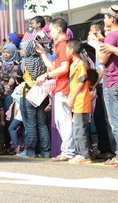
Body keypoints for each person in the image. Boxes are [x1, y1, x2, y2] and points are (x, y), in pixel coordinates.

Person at [35, 17, 75, 161]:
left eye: (51, 30)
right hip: (62, 87)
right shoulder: (61, 45)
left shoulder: (63, 44)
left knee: (63, 120)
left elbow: (64, 68)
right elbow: (54, 67)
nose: (49, 33)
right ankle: (68, 150)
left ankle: (68, 151)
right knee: (62, 120)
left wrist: (46, 75)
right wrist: (43, 53)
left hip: (64, 87)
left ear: (58, 29)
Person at [99, 1, 118, 168]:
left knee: (117, 122)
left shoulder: (112, 36)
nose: (105, 20)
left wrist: (99, 45)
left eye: (105, 17)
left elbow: (102, 59)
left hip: (112, 81)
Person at [66, 38, 93, 164]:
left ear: (71, 50)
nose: (65, 51)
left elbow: (82, 81)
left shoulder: (80, 64)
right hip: (77, 101)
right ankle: (81, 153)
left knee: (80, 128)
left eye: (66, 48)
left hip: (81, 100)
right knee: (77, 127)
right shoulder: (73, 64)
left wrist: (72, 96)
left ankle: (84, 154)